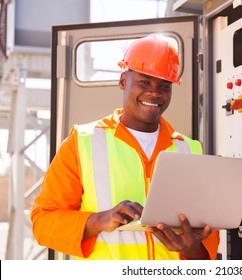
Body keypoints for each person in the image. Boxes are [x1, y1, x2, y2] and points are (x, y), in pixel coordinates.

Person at [30, 34, 220, 260]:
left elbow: (206, 247)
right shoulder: (82, 143)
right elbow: (43, 223)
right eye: (144, 81)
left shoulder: (190, 150)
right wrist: (98, 220)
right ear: (123, 81)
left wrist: (192, 250)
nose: (155, 92)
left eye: (164, 85)